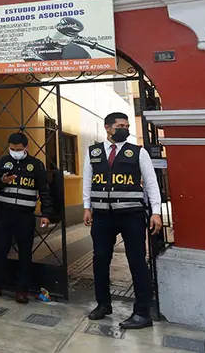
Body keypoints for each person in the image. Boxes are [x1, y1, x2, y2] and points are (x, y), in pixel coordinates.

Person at [83, 112, 163, 330]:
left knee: (137, 261)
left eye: (126, 125)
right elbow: (88, 181)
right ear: (108, 128)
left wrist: (156, 211)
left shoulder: (138, 152)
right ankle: (103, 304)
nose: (125, 129)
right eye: (120, 125)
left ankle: (142, 312)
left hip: (131, 215)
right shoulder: (94, 152)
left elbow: (151, 183)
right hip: (102, 215)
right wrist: (86, 207)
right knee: (100, 260)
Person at [0, 133, 53, 303]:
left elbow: (44, 190)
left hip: (25, 216)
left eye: (18, 149)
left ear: (26, 148)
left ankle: (22, 289)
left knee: (25, 253)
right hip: (4, 214)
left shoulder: (35, 165)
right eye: (12, 149)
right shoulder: (3, 162)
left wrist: (46, 213)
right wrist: (3, 180)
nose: (14, 152)